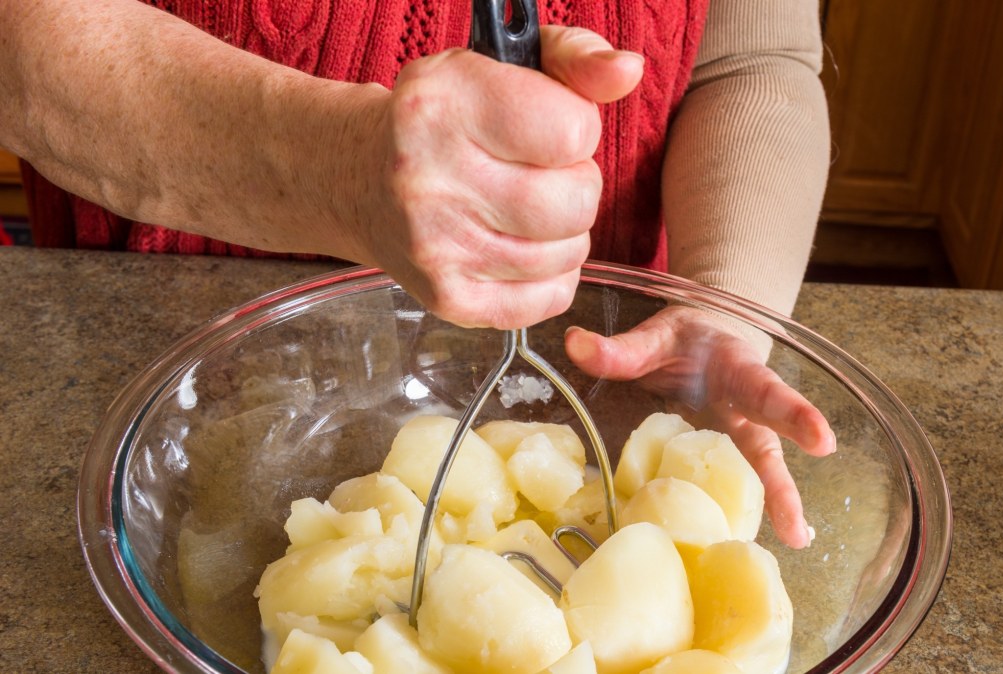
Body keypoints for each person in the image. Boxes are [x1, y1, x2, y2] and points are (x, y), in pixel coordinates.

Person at [0, 0, 833, 548]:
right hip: (167, 379)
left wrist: (723, 299)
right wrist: (333, 166)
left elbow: (753, 58)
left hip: (603, 368)